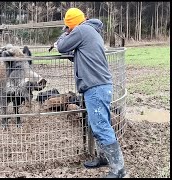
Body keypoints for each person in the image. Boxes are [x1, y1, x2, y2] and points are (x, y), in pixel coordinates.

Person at [54, 8, 128, 178]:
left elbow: (63, 47)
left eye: (68, 27)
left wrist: (61, 38)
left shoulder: (81, 30)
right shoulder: (90, 31)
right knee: (99, 123)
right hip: (99, 85)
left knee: (100, 125)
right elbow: (73, 53)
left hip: (95, 87)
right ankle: (103, 158)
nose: (68, 30)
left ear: (71, 25)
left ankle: (119, 170)